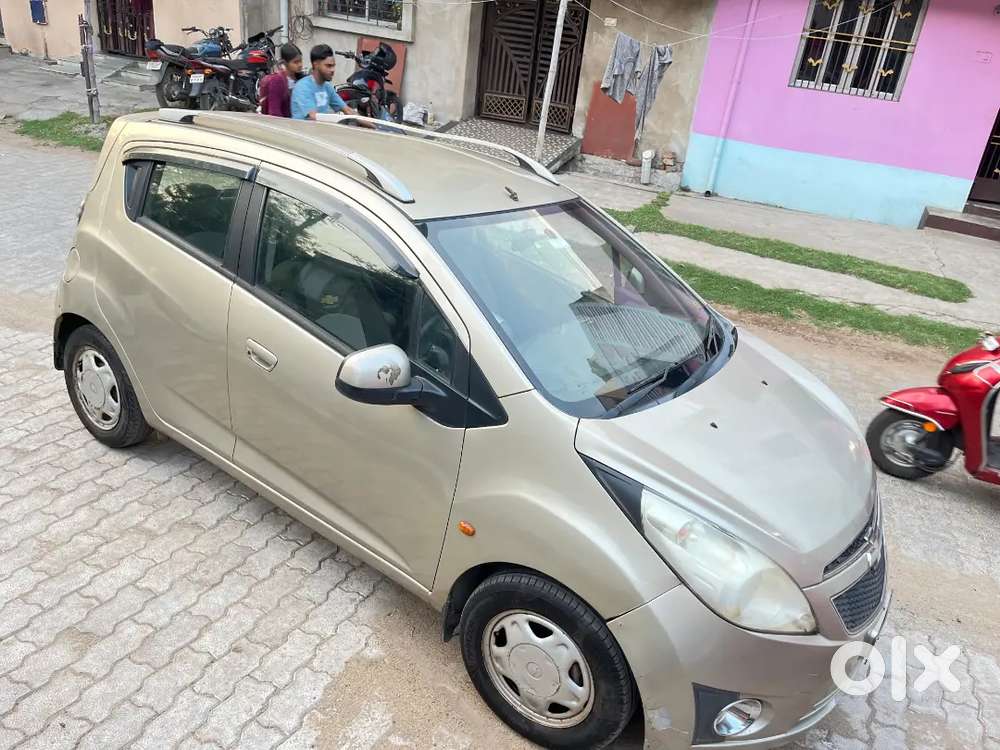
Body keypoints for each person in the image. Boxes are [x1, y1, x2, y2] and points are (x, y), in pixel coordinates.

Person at [292, 44, 362, 121]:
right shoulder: (303, 87)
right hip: (304, 131)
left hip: (321, 130)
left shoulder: (327, 87)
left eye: (333, 66)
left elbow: (348, 110)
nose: (333, 70)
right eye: (328, 66)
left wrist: (374, 127)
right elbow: (313, 117)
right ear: (316, 65)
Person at [259, 43, 303, 118]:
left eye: (301, 61)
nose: (300, 65)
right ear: (284, 63)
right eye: (295, 62)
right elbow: (274, 112)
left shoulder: (301, 79)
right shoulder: (277, 81)